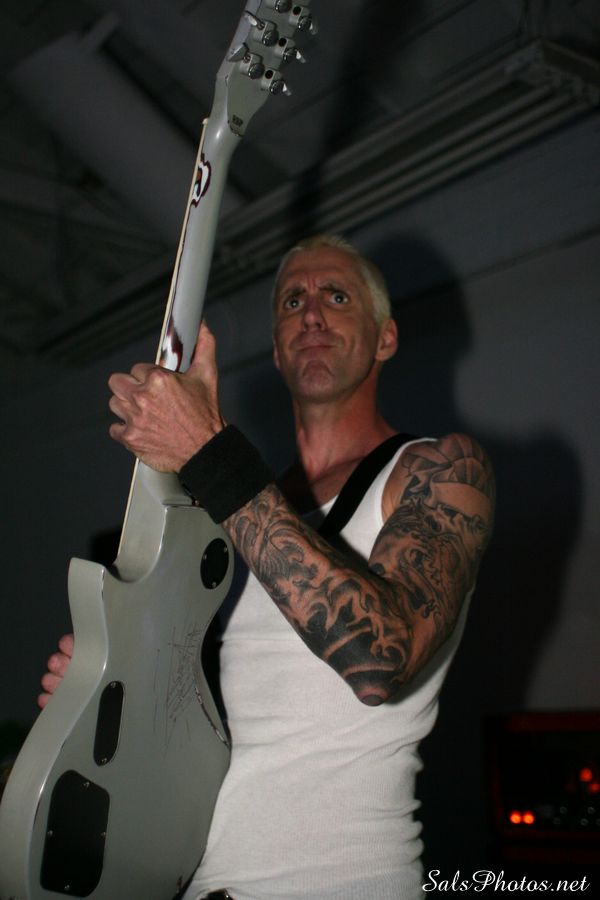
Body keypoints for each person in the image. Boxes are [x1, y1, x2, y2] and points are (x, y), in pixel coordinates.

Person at [40, 235, 495, 899]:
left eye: (336, 296)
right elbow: (201, 729)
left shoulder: (438, 469)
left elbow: (381, 660)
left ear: (386, 338)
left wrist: (210, 453)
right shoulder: (225, 515)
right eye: (291, 302)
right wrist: (105, 695)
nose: (311, 313)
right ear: (278, 349)